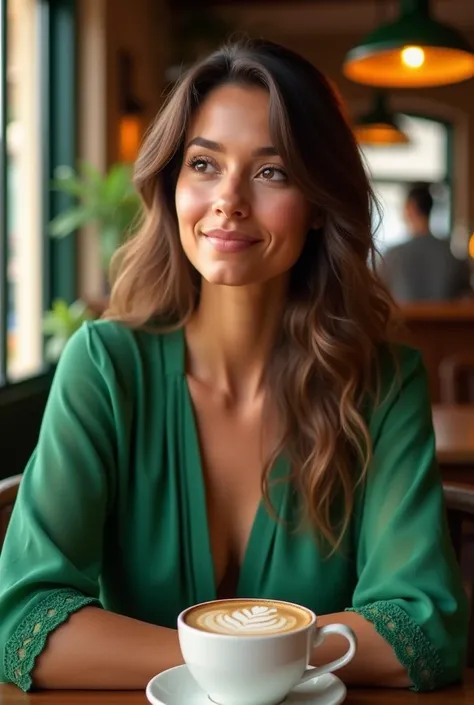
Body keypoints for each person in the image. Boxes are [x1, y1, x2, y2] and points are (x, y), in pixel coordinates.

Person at [0, 39, 467, 693]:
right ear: (171, 184)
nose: (229, 199)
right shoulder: (105, 365)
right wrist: (254, 665)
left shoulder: (382, 382)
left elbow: (422, 628)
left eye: (271, 171)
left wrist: (216, 664)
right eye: (203, 164)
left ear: (317, 204)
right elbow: (27, 621)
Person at [381, 183, 471, 302]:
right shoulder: (450, 254)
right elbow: (466, 295)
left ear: (410, 208)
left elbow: (380, 293)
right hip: (445, 320)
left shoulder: (393, 256)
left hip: (403, 319)